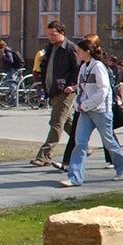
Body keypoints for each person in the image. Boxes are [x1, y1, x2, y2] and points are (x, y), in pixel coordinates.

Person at [60, 35, 123, 187]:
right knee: (80, 143)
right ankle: (74, 177)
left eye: (79, 51)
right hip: (85, 112)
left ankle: (122, 167)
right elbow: (82, 89)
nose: (77, 53)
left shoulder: (98, 67)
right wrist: (78, 103)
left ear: (87, 51)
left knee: (108, 141)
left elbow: (103, 90)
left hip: (101, 111)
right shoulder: (83, 67)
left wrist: (86, 104)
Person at [30, 21, 79, 167]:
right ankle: (82, 145)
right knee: (67, 122)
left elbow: (78, 69)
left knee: (56, 121)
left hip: (66, 91)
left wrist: (73, 86)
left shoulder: (70, 48)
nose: (50, 37)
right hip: (53, 89)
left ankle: (44, 156)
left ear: (62, 33)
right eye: (48, 34)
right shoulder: (51, 47)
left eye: (53, 34)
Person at [0, 39, 23, 105]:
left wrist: (4, 57)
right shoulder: (8, 50)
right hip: (11, 69)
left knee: (12, 85)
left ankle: (13, 100)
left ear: (1, 47)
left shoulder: (7, 51)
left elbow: (10, 61)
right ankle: (13, 100)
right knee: (11, 84)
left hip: (12, 69)